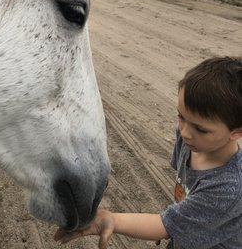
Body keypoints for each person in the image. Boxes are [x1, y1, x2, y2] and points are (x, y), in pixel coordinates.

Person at [54, 56, 242, 249]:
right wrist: (180, 224)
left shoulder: (228, 187)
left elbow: (165, 224)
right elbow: (177, 216)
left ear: (237, 132)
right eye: (181, 117)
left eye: (201, 129)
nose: (185, 132)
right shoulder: (193, 142)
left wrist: (113, 220)